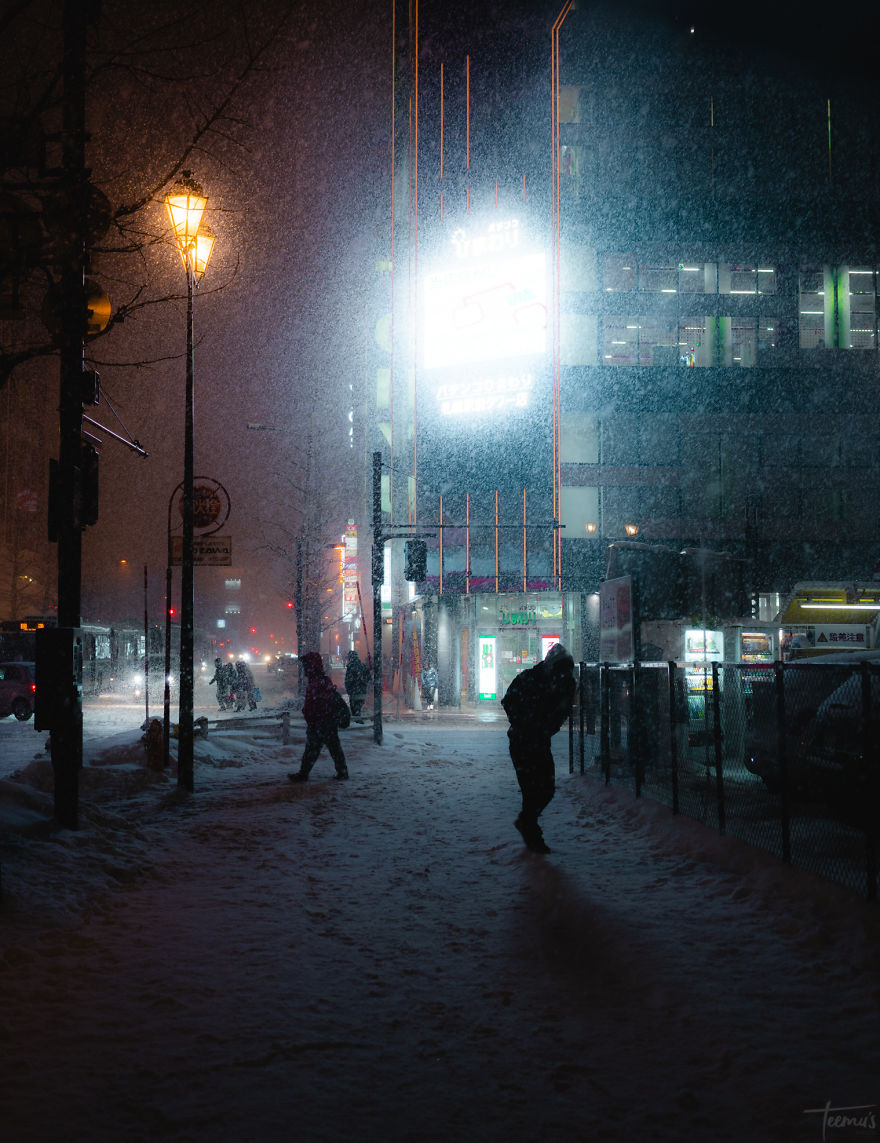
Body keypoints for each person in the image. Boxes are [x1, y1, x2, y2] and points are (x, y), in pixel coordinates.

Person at [501, 642, 575, 854]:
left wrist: (540, 728)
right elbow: (509, 702)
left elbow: (561, 711)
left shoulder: (556, 682)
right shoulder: (533, 679)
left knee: (544, 789)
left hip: (534, 740)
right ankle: (532, 835)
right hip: (524, 740)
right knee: (536, 791)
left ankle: (529, 827)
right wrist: (529, 724)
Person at [289, 651, 349, 782]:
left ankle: (304, 774)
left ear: (311, 666)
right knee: (330, 748)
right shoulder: (319, 680)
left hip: (321, 722)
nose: (304, 668)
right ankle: (341, 771)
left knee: (314, 749)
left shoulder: (318, 682)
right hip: (324, 722)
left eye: (305, 665)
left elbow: (318, 703)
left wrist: (312, 716)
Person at [344, 650, 371, 724]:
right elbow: (369, 678)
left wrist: (348, 690)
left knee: (355, 712)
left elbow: (348, 681)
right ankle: (359, 724)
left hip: (354, 693)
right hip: (362, 692)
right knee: (358, 709)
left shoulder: (351, 667)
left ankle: (358, 726)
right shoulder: (363, 666)